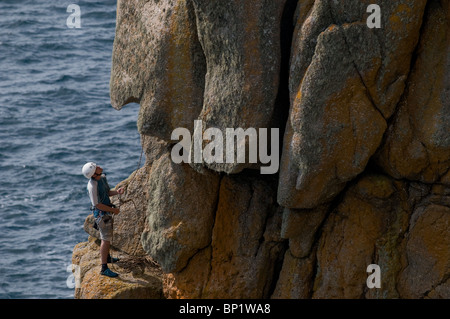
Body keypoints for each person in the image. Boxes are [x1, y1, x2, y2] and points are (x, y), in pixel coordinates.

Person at [82, 162, 124, 278]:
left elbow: (107, 192)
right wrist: (113, 210)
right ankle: (104, 268)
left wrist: (117, 192)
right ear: (94, 174)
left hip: (107, 212)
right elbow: (97, 205)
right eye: (96, 168)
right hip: (101, 215)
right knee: (105, 239)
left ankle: (108, 258)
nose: (99, 167)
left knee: (108, 237)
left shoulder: (102, 178)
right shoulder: (92, 186)